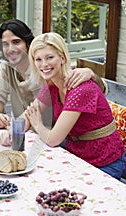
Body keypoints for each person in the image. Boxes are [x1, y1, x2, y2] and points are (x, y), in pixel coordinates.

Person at [24, 32, 124, 180]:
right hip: (76, 158)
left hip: (104, 163)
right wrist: (11, 131)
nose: (44, 64)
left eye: (50, 57)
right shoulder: (51, 85)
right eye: (38, 59)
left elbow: (53, 140)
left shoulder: (80, 89)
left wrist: (37, 124)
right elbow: (29, 114)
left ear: (62, 58)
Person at [0, 19, 107, 129]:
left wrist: (91, 74)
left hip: (53, 132)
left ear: (28, 44)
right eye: (5, 44)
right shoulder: (7, 67)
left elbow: (101, 89)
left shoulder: (45, 67)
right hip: (24, 128)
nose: (11, 49)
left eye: (16, 42)